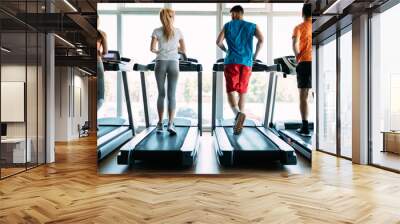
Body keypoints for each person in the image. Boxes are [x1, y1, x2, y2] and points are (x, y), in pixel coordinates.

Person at [216, 5, 264, 135]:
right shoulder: (251, 26)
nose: (231, 16)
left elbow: (218, 42)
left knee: (231, 91)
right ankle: (239, 123)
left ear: (237, 13)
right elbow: (261, 40)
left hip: (231, 61)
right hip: (247, 62)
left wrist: (227, 51)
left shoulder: (228, 26)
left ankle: (238, 115)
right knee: (242, 92)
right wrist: (254, 56)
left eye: (232, 14)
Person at [150, 8, 186, 135]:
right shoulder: (178, 32)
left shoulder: (156, 31)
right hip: (174, 64)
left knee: (161, 94)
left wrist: (161, 50)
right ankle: (170, 124)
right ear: (172, 17)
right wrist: (174, 48)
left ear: (161, 17)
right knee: (172, 95)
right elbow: (183, 50)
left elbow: (152, 49)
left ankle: (160, 124)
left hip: (160, 62)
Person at [292, 3, 312, 137]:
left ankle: (305, 127)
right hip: (317, 61)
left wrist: (297, 56)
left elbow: (295, 44)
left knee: (303, 95)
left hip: (304, 62)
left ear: (302, 14)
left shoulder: (299, 27)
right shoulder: (316, 25)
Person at [97, 16, 108, 111]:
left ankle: (91, 119)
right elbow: (105, 52)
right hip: (97, 61)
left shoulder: (86, 31)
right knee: (100, 96)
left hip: (86, 61)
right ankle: (92, 118)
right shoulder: (102, 34)